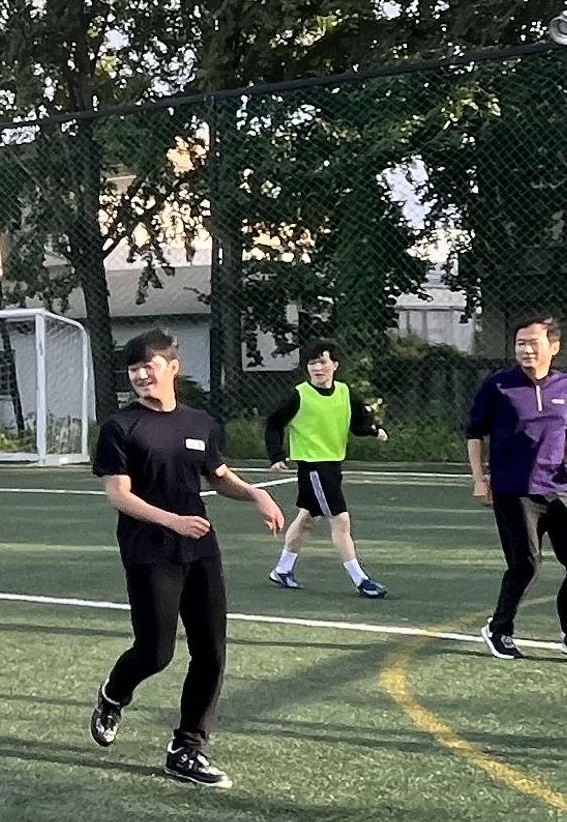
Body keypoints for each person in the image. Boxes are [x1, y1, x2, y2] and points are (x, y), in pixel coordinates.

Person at [88, 328, 286, 787]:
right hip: (149, 550)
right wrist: (172, 521)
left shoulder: (200, 423)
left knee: (211, 651)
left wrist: (256, 494)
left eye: (148, 366)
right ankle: (113, 694)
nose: (140, 375)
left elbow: (218, 475)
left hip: (200, 548)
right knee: (155, 652)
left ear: (172, 368)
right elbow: (119, 495)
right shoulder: (121, 427)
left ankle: (187, 749)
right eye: (133, 369)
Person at [463, 315, 567, 663]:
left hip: (557, 488)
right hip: (514, 490)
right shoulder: (498, 386)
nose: (526, 349)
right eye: (520, 344)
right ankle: (499, 629)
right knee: (526, 565)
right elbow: (474, 434)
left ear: (554, 347)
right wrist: (479, 480)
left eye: (533, 343)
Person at [260, 341, 390, 598]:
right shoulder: (299, 395)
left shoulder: (344, 392)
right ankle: (361, 579)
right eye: (312, 363)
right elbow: (273, 423)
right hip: (314, 468)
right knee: (340, 520)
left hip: (332, 465)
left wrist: (374, 430)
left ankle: (282, 569)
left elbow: (359, 422)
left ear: (335, 365)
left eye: (322, 362)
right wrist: (276, 455)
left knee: (307, 519)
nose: (318, 368)